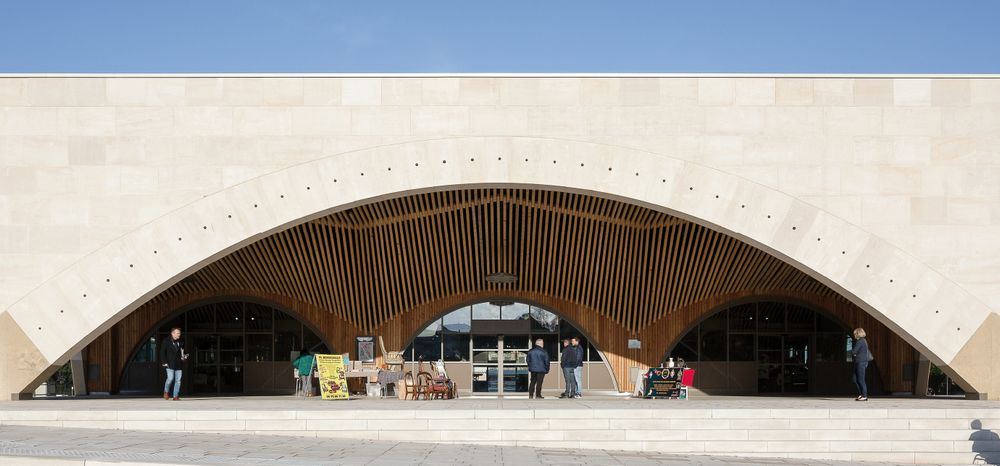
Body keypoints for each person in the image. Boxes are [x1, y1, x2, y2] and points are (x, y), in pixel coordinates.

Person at [159, 327, 186, 401]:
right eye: (177, 333)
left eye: (179, 333)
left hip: (179, 364)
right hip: (169, 363)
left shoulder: (181, 341)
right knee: (170, 379)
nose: (179, 334)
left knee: (178, 381)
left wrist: (184, 357)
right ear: (172, 333)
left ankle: (175, 396)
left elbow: (183, 351)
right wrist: (164, 362)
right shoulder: (166, 341)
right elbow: (162, 352)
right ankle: (166, 391)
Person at [852, 327, 873, 401]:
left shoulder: (860, 341)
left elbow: (854, 351)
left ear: (858, 334)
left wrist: (854, 353)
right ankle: (861, 394)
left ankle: (864, 395)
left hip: (861, 362)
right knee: (855, 379)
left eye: (855, 333)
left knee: (861, 379)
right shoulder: (863, 341)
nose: (854, 335)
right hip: (860, 362)